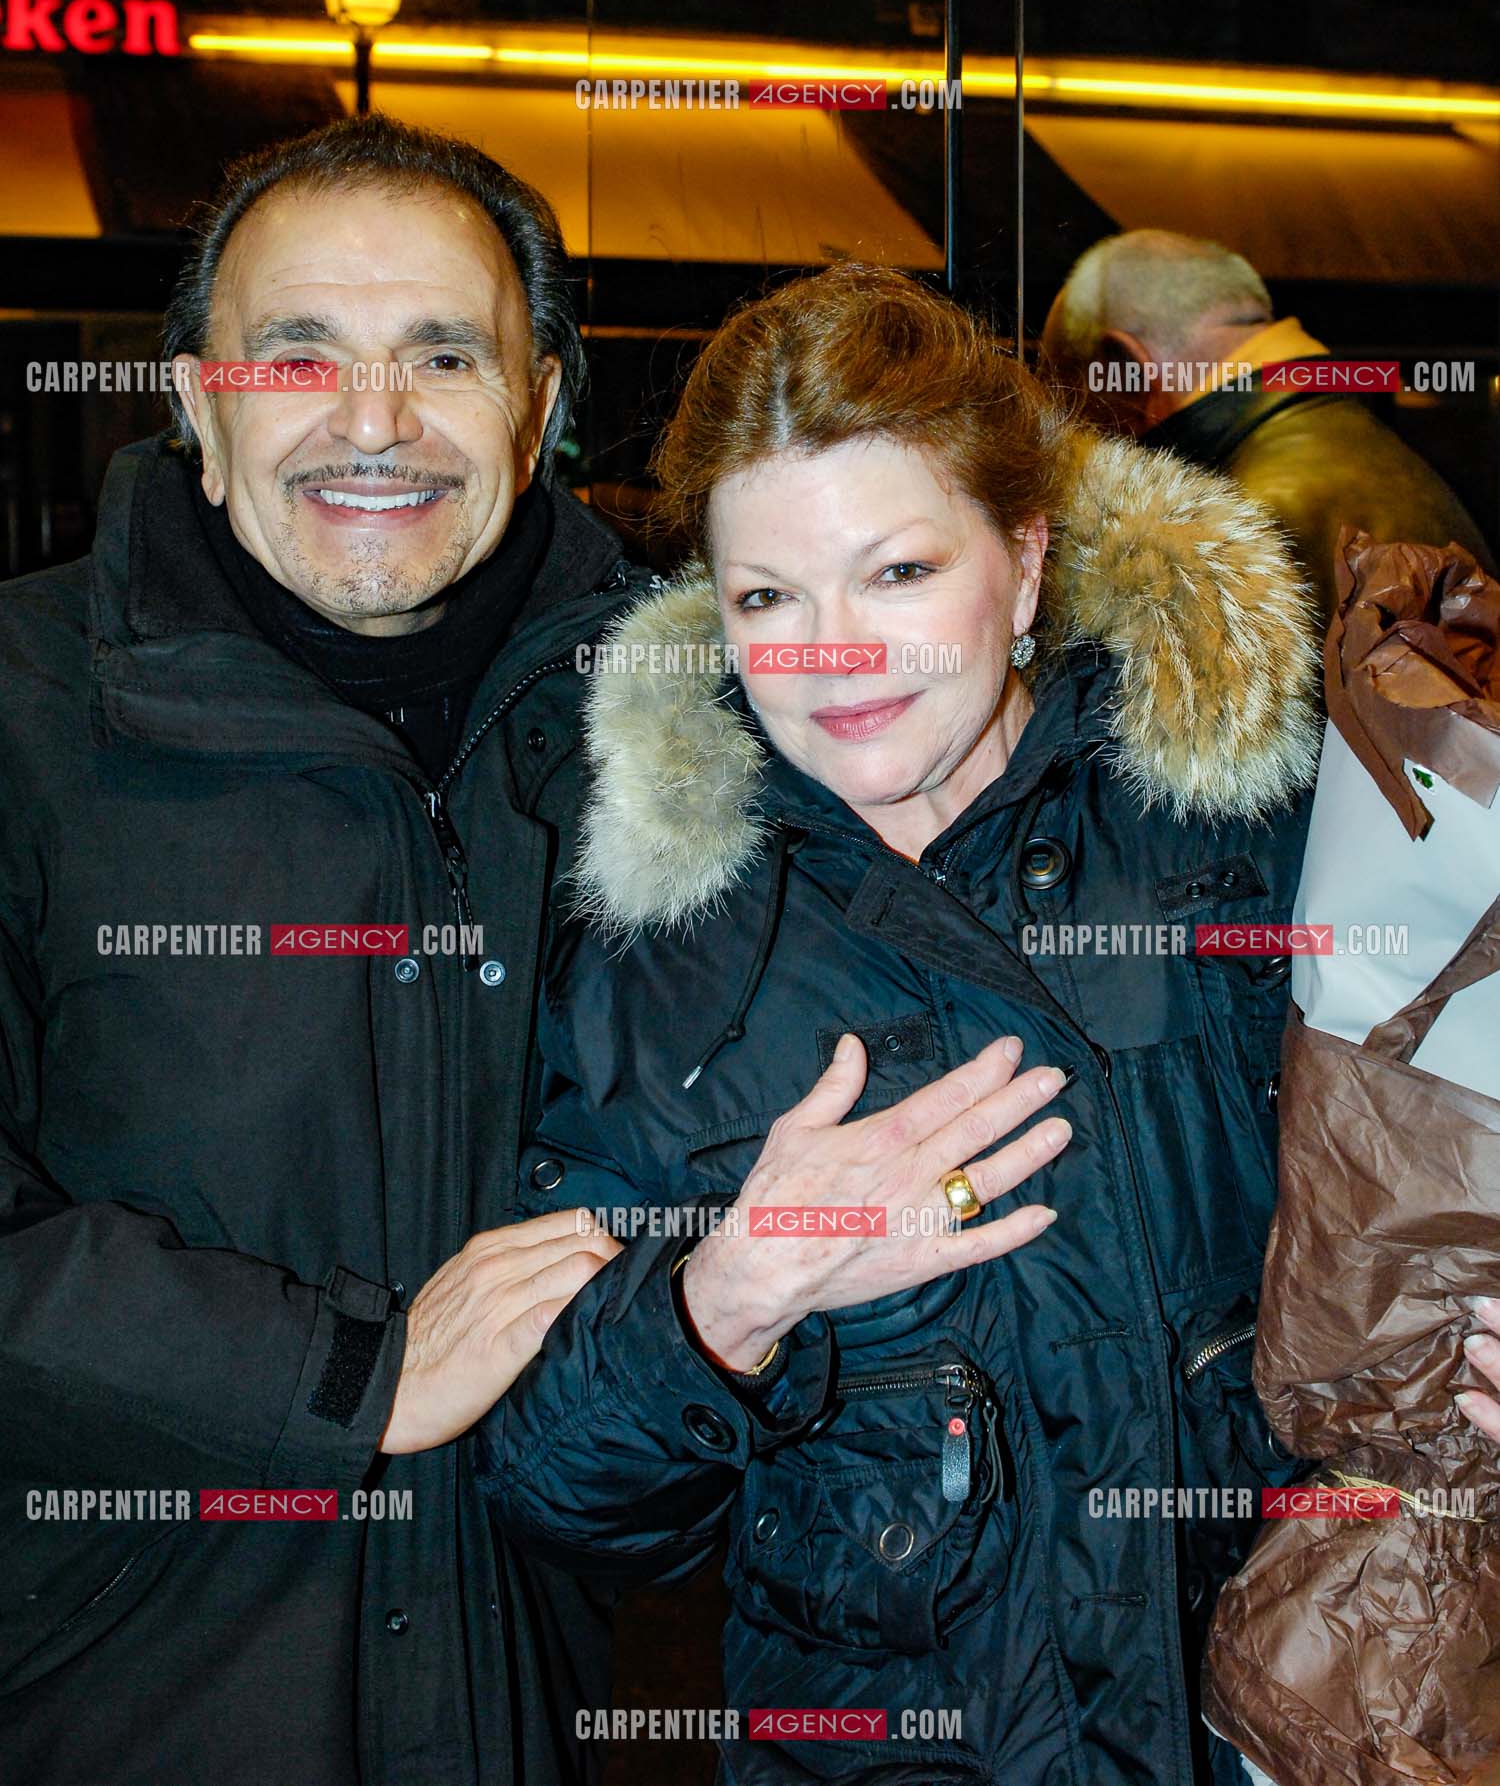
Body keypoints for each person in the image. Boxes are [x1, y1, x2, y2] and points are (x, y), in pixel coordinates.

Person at [480, 263, 1323, 1786]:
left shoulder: (1237, 827)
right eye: (768, 597)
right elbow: (559, 1490)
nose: (832, 652)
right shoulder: (661, 953)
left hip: (1281, 1726)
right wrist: (728, 1294)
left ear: (1026, 556)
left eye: (897, 572)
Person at [0, 115, 639, 1786]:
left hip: (531, 1696)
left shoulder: (666, 729)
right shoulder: (22, 708)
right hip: (121, 1705)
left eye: (445, 354)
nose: (372, 419)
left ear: (538, 408)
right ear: (199, 406)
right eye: (298, 355)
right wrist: (350, 1373)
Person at [1039, 228, 1491, 626]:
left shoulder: (1232, 519)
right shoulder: (1389, 458)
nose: (1095, 444)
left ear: (1124, 367)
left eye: (1086, 415)